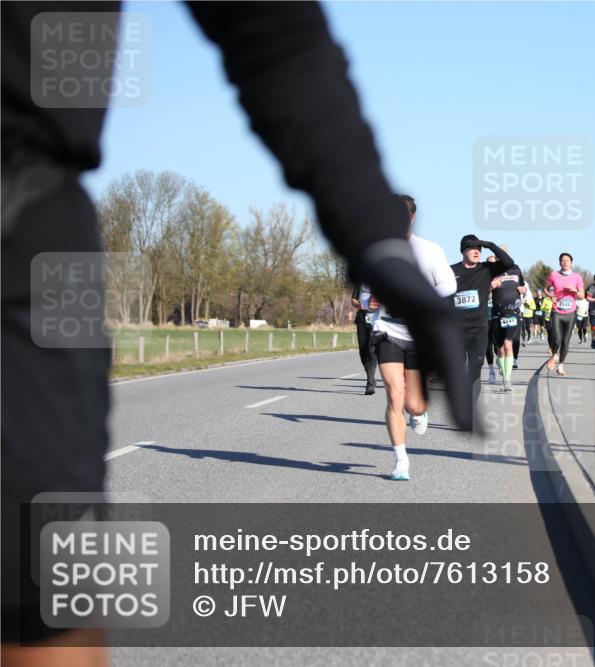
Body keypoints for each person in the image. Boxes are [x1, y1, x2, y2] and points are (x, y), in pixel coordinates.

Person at [2, 4, 474, 657]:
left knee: (47, 579)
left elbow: (273, 32)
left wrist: (372, 233)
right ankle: (400, 444)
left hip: (25, 233)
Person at [369, 196, 457, 480]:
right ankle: (401, 461)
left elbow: (448, 285)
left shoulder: (429, 251)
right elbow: (365, 290)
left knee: (414, 404)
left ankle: (419, 413)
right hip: (388, 330)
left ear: (412, 217)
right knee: (395, 394)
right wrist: (369, 299)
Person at [450, 235, 515, 402]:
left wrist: (490, 245)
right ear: (463, 250)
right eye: (472, 248)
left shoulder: (486, 269)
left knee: (475, 370)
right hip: (456, 330)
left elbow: (509, 263)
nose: (477, 251)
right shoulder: (450, 271)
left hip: (478, 329)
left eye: (479, 249)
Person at [544, 253, 585, 376]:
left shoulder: (577, 277)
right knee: (556, 339)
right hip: (557, 311)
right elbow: (546, 289)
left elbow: (582, 295)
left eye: (567, 260)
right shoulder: (554, 275)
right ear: (559, 263)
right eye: (562, 260)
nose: (565, 262)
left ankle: (561, 366)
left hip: (571, 313)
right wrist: (551, 295)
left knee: (566, 341)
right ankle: (555, 355)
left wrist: (575, 291)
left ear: (571, 262)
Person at [489, 263, 526, 392]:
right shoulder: (492, 271)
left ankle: (506, 379)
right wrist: (491, 286)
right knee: (500, 349)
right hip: (496, 315)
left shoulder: (516, 269)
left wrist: (524, 290)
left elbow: (523, 286)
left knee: (508, 345)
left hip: (512, 313)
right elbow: (483, 289)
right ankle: (500, 362)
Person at [350, 283, 378, 394]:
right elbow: (353, 300)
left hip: (376, 318)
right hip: (362, 318)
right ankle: (370, 376)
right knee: (363, 351)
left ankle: (370, 383)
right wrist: (359, 304)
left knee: (371, 350)